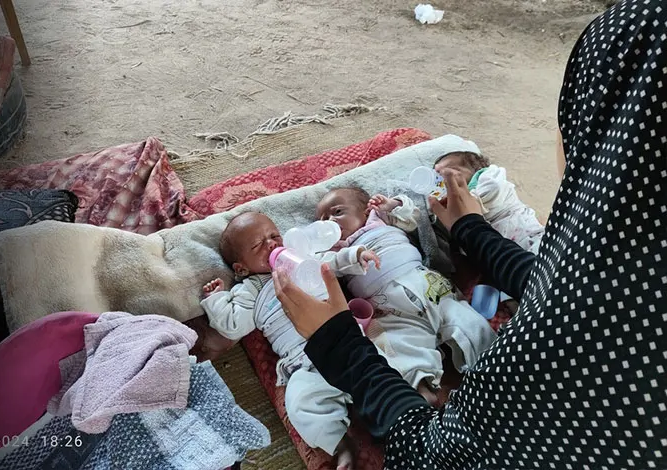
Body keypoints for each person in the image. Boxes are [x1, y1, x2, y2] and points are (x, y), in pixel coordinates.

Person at [272, 1, 666, 467]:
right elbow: (560, 283)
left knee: (460, 329)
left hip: (421, 308)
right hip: (398, 308)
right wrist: (471, 230)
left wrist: (337, 342)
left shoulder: (573, 347)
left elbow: (435, 459)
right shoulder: (623, 283)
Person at [200, 211, 376, 469]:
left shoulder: (300, 256)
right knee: (299, 402)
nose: (271, 244)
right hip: (301, 361)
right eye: (258, 245)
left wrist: (356, 255)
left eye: (274, 236)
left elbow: (331, 263)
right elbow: (232, 324)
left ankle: (399, 398)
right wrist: (217, 299)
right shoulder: (251, 290)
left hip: (345, 341)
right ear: (241, 268)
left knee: (384, 359)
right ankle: (340, 443)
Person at [314, 187, 497, 407]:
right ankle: (420, 389)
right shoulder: (335, 250)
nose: (329, 222)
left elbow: (413, 218)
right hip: (390, 309)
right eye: (322, 220)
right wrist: (353, 253)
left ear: (365, 210)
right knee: (394, 348)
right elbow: (325, 267)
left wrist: (393, 205)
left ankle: (493, 367)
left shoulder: (379, 218)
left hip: (429, 288)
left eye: (337, 212)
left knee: (469, 323)